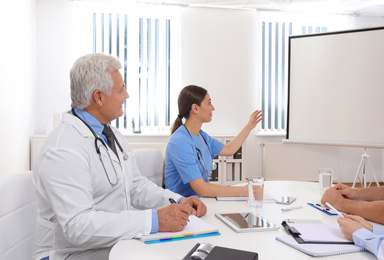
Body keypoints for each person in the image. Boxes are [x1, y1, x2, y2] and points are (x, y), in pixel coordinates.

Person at [33, 53, 207, 260]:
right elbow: (78, 226)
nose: (127, 95)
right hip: (71, 253)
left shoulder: (111, 134)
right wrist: (153, 220)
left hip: (112, 243)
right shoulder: (64, 149)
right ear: (99, 97)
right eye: (121, 89)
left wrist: (179, 201)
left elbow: (136, 186)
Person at [164, 85, 263, 198]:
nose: (213, 107)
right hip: (179, 206)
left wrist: (249, 126)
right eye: (209, 103)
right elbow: (202, 189)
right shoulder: (179, 141)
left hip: (199, 201)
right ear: (195, 108)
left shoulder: (202, 136)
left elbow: (229, 149)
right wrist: (245, 191)